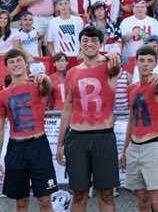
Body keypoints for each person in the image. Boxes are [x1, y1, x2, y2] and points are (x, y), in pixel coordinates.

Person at [55, 26, 123, 211]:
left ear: (100, 44)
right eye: (85, 40)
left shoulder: (108, 66)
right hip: (77, 137)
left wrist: (112, 55)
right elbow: (68, 107)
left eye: (94, 40)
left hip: (103, 135)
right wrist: (60, 142)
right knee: (78, 193)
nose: (89, 44)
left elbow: (116, 66)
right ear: (80, 44)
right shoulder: (72, 72)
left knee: (106, 193)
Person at [0, 48, 57, 211]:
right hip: (16, 148)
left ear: (26, 63)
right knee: (21, 202)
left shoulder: (37, 85)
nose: (15, 64)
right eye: (11, 62)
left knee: (45, 200)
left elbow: (49, 89)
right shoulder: (0, 96)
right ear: (7, 66)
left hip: (39, 146)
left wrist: (45, 78)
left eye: (18, 60)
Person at [121, 45, 158, 212]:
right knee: (142, 202)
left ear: (156, 63)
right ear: (136, 62)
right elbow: (131, 120)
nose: (145, 64)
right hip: (134, 147)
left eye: (150, 60)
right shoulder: (131, 88)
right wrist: (125, 150)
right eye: (142, 60)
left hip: (153, 147)